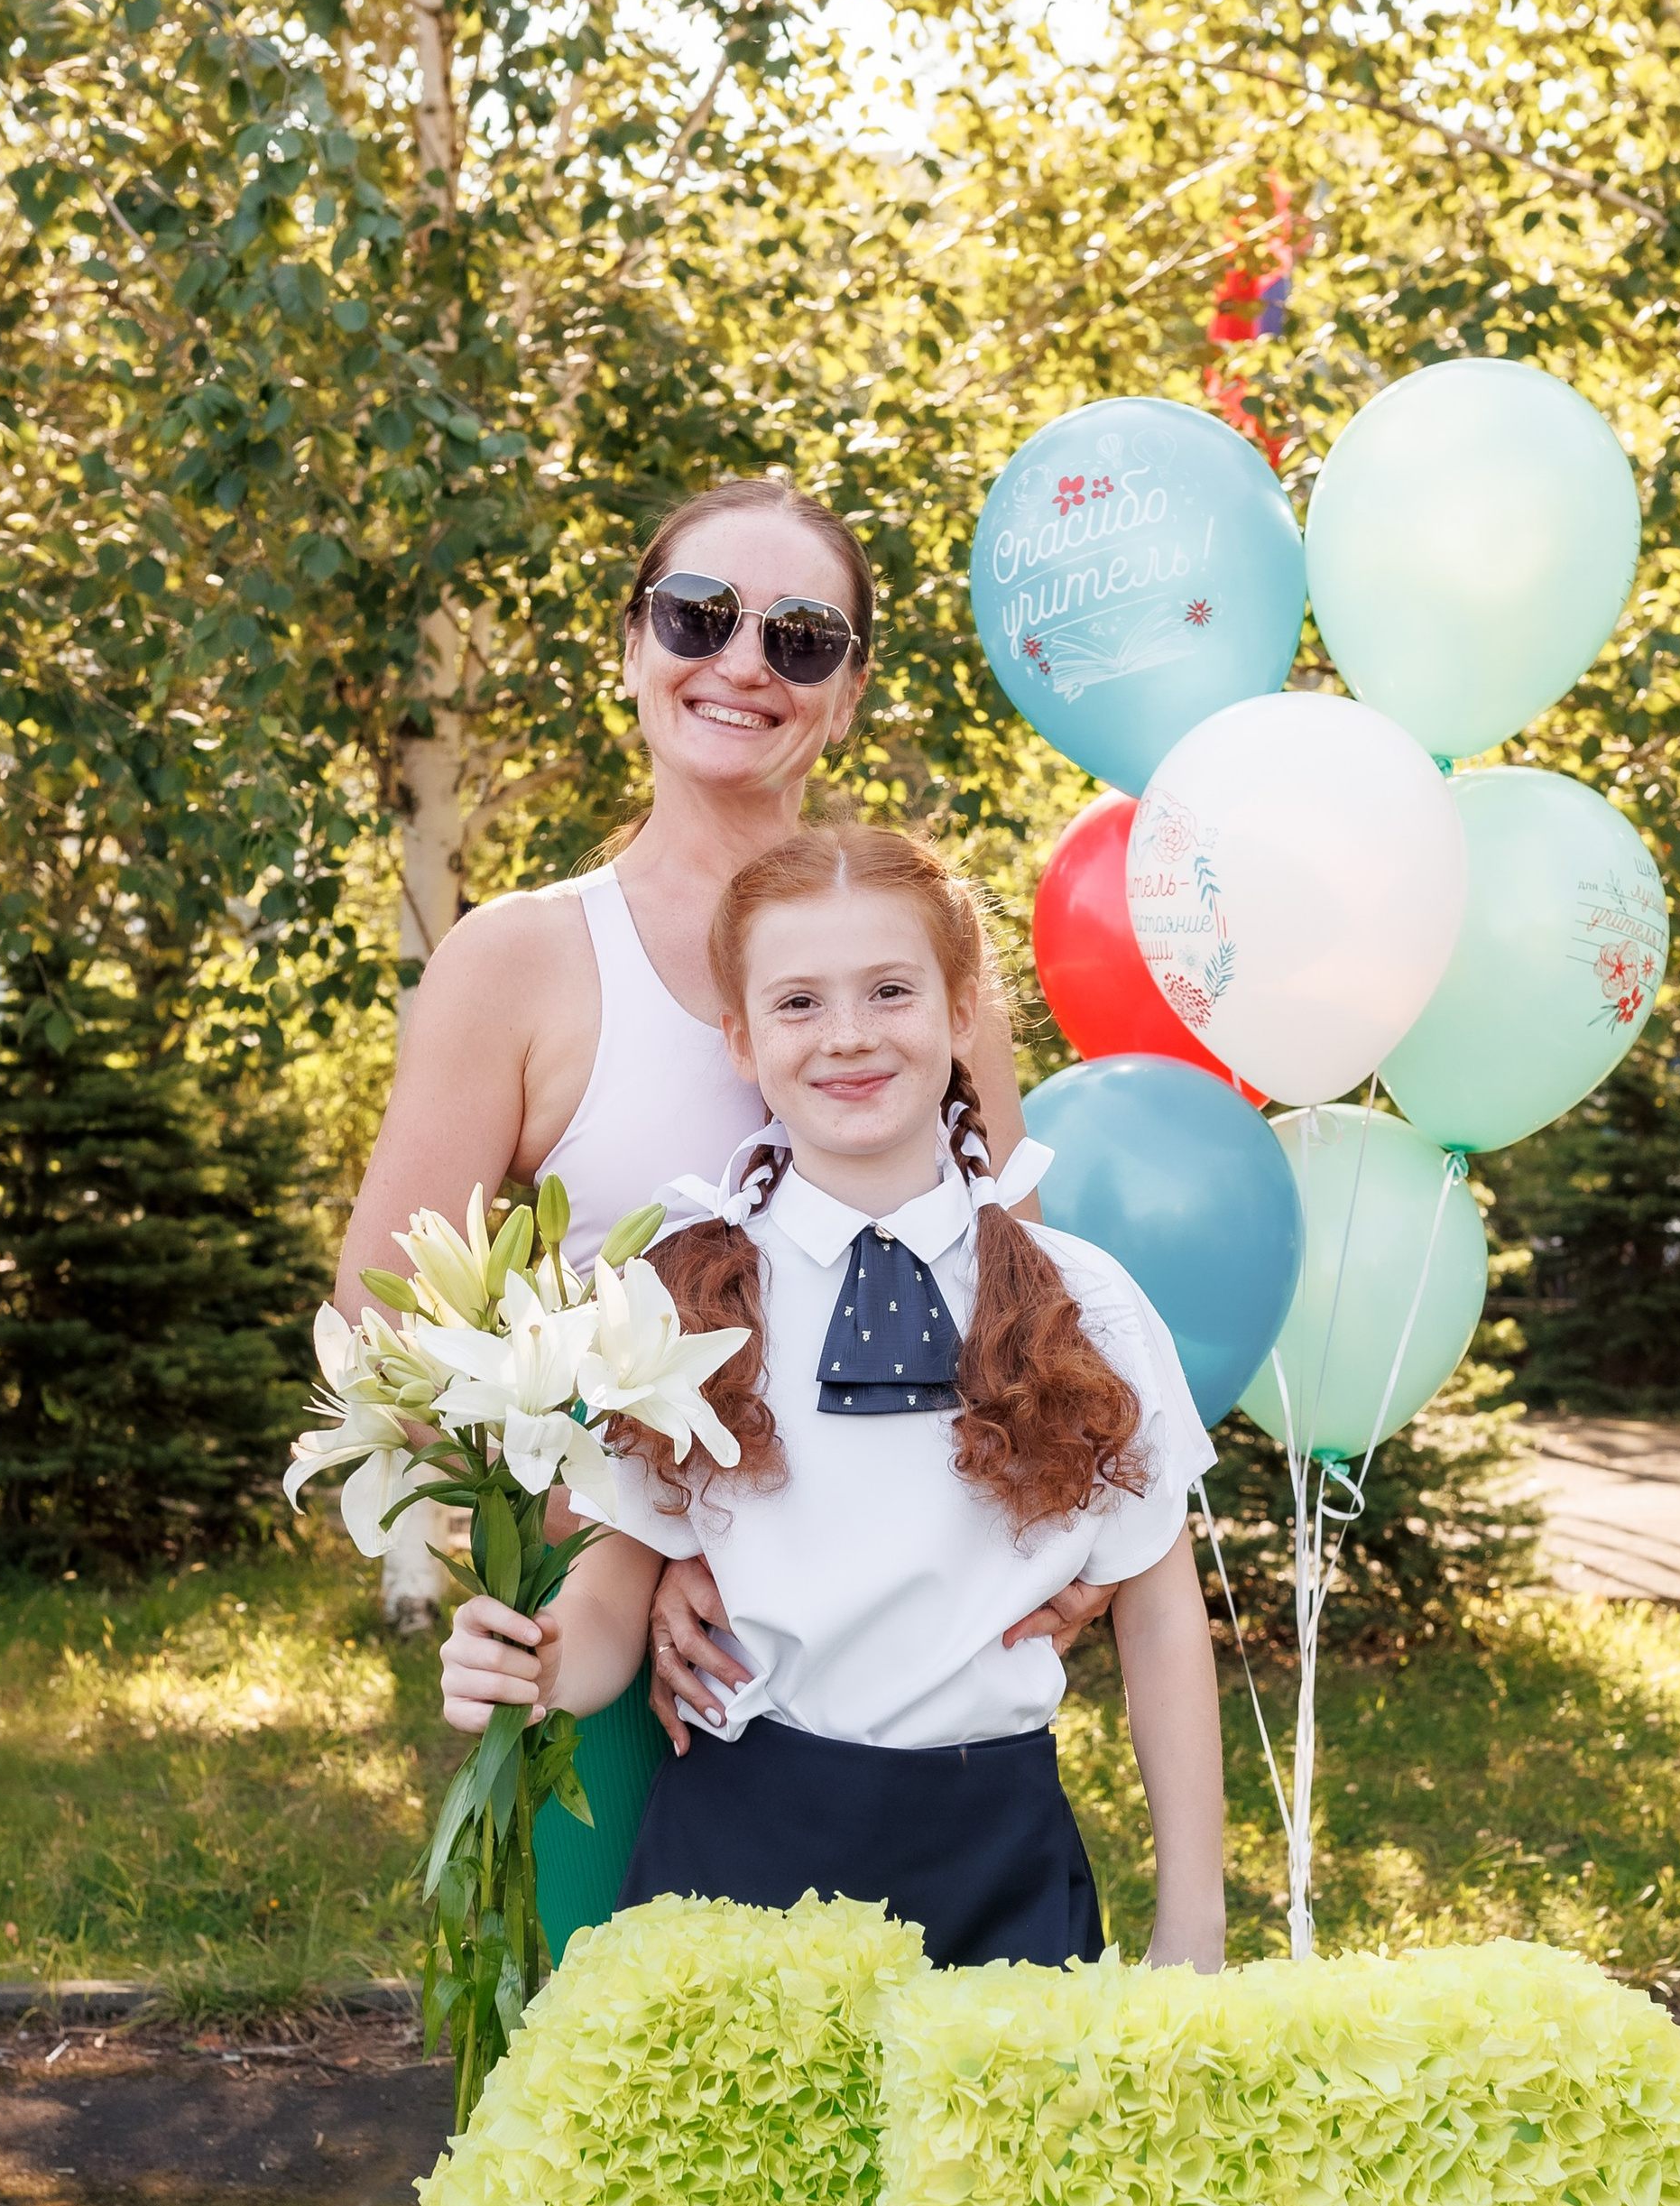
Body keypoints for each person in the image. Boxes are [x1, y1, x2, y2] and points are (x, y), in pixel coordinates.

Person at [337, 477, 1110, 1952]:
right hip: (632, 1681)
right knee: (630, 2142)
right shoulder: (519, 962)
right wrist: (632, 1543)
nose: (745, 662)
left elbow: (1019, 1317)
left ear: (850, 688)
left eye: (802, 636)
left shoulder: (925, 958)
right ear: (633, 646)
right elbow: (385, 1324)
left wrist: (1061, 1570)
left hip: (901, 1718)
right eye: (702, 615)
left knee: (911, 2144)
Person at [436, 825, 1225, 1974]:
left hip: (997, 1856)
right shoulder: (679, 1299)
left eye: (891, 991)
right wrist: (536, 1659)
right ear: (742, 1041)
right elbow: (621, 1581)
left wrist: (1191, 1923)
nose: (848, 1034)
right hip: (735, 1857)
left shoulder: (1084, 1302)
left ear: (962, 1017)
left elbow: (1158, 1612)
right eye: (798, 1003)